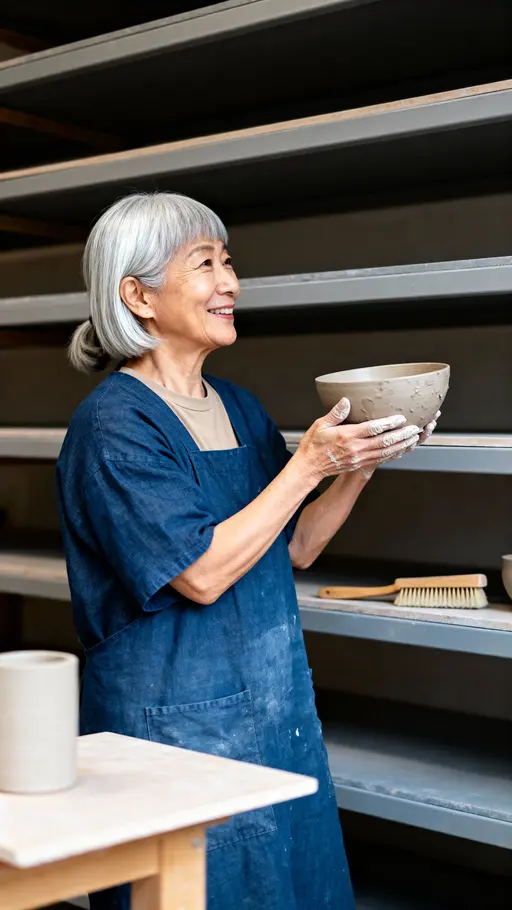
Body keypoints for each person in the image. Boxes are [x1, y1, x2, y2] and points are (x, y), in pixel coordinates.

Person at [56, 192, 437, 910]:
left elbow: (294, 545)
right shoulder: (114, 427)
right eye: (205, 264)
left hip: (274, 717)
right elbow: (199, 573)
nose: (230, 283)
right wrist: (308, 466)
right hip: (171, 736)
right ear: (136, 294)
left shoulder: (238, 406)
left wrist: (362, 460)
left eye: (228, 262)